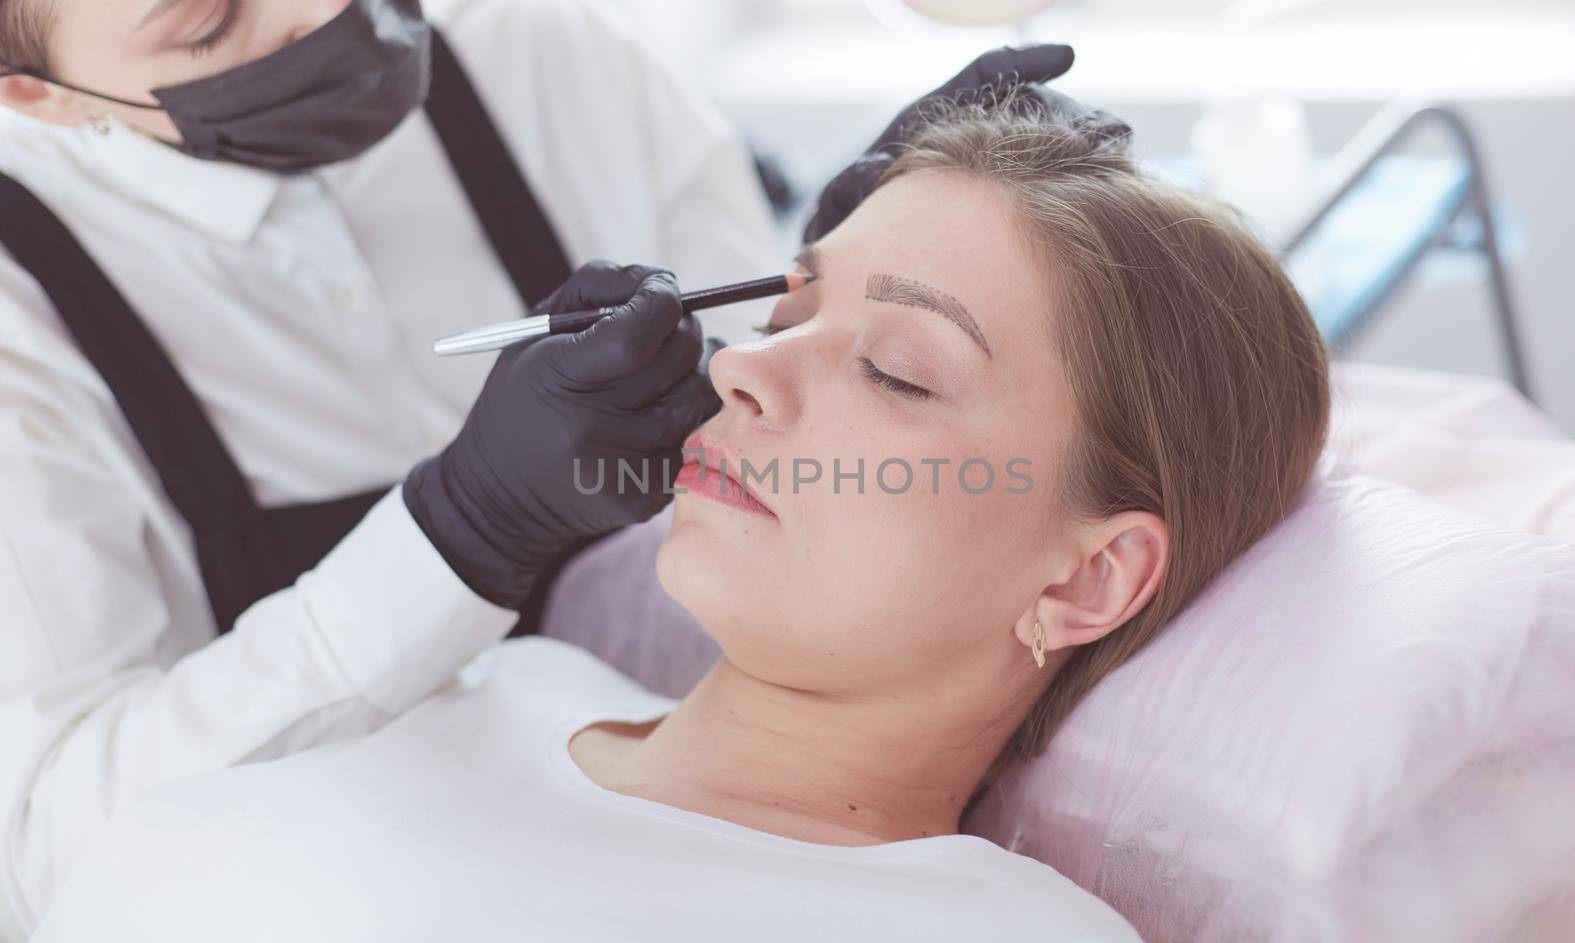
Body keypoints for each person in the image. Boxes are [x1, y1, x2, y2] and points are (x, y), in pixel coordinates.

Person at [28, 93, 1331, 941]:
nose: (744, 370)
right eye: (783, 315)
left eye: (895, 368)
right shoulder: (499, 682)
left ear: (1088, 581)